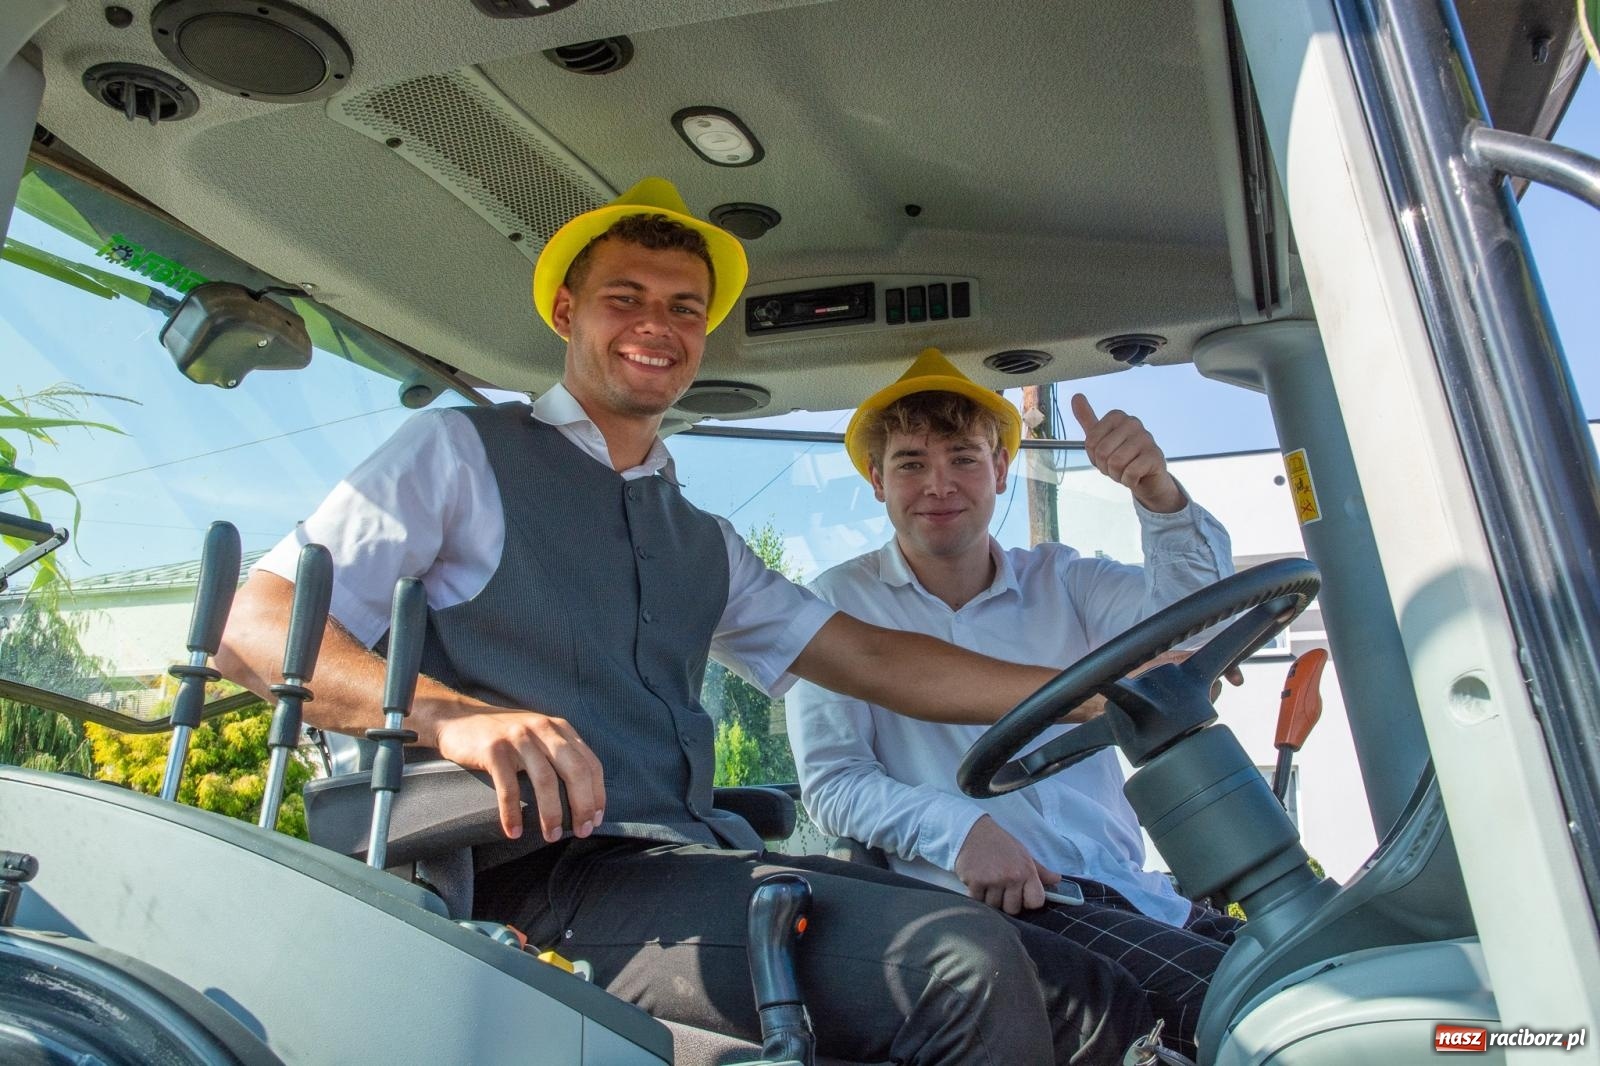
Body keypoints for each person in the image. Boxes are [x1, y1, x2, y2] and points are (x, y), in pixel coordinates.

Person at [216, 178, 1153, 1065]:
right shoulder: (459, 452)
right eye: (626, 298)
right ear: (566, 314)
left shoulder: (700, 538)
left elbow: (868, 656)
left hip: (670, 861)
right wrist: (451, 716)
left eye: (683, 309)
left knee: (1082, 986)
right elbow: (252, 625)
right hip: (515, 882)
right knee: (962, 961)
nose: (656, 327)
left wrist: (1089, 696)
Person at [786, 348, 1244, 1058]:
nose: (939, 485)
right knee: (1247, 1008)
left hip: (1129, 886)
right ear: (876, 480)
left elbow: (1199, 625)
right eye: (910, 463)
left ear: (1001, 469)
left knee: (1317, 966)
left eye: (964, 459)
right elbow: (834, 782)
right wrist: (961, 831)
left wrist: (1156, 491)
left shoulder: (1066, 581)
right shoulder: (838, 608)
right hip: (1011, 911)